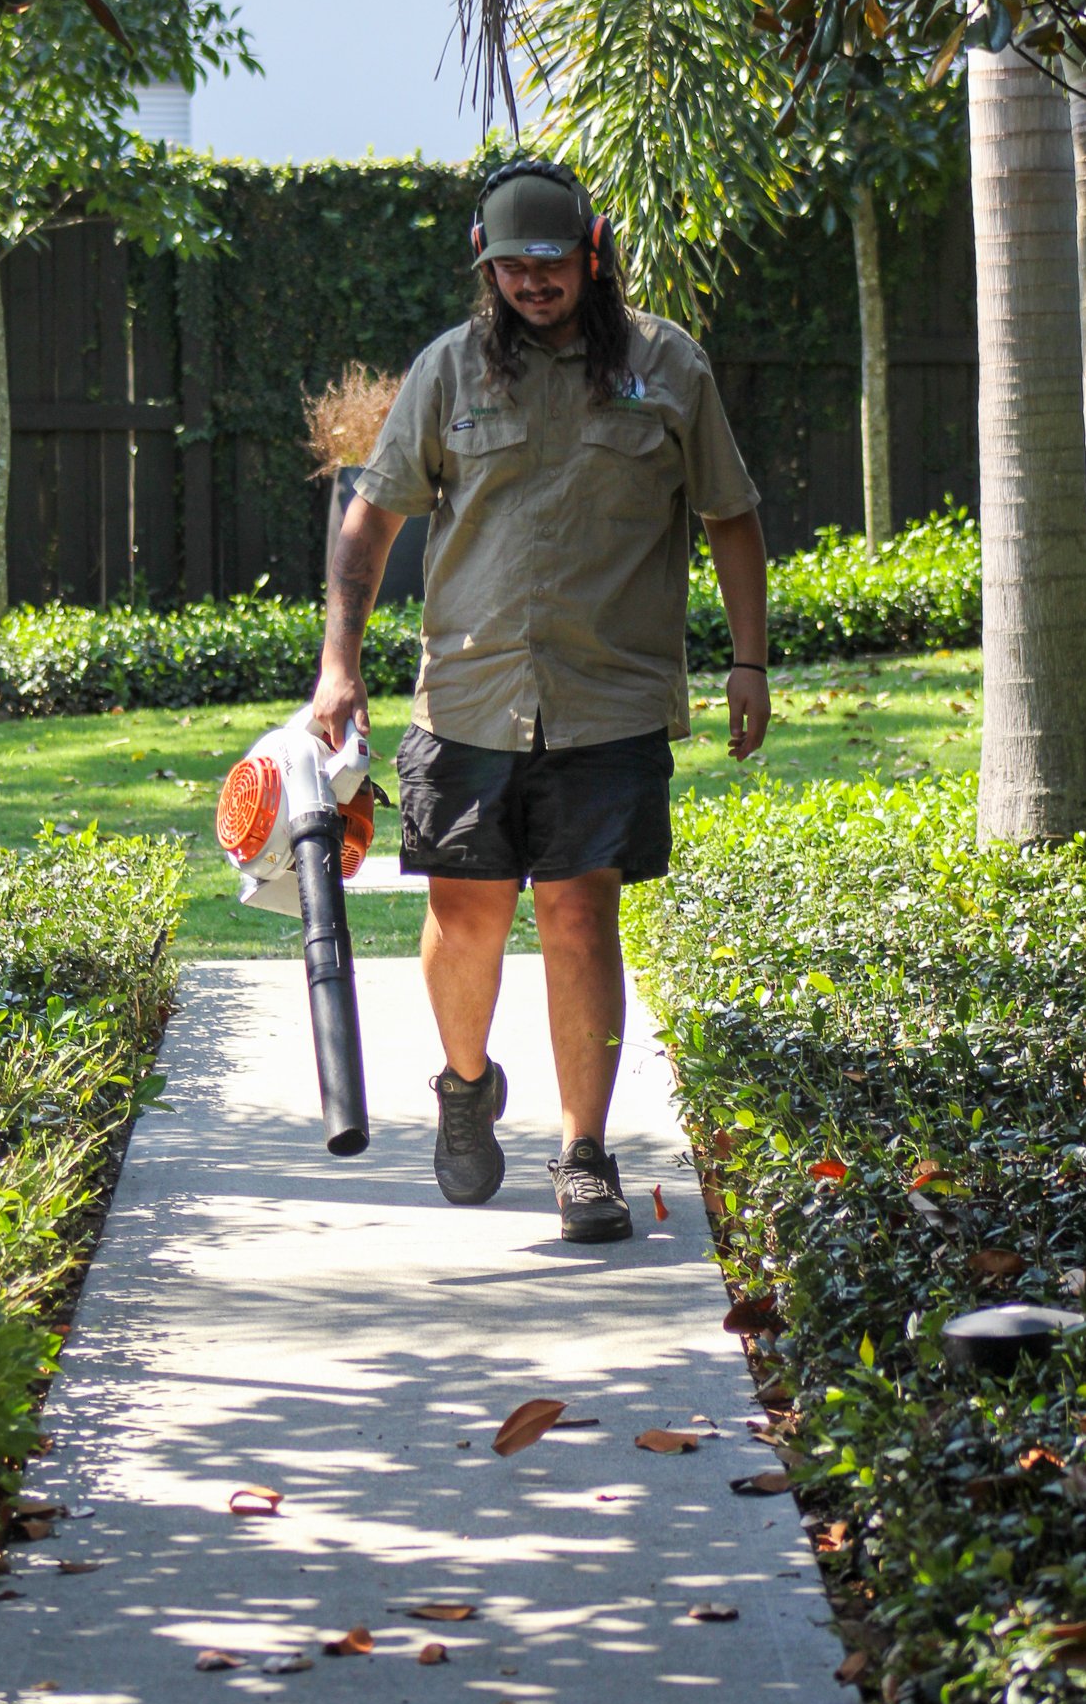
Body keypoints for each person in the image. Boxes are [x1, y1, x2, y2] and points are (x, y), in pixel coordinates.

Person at [312, 160, 770, 1244]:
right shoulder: (448, 371)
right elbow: (370, 523)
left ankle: (583, 1152)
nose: (531, 282)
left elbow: (731, 515)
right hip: (467, 697)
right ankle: (465, 1084)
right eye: (510, 265)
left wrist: (746, 662)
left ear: (592, 251)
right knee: (465, 914)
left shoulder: (668, 367)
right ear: (486, 264)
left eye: (551, 261)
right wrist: (340, 661)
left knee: (578, 911)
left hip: (608, 696)